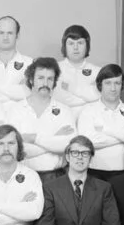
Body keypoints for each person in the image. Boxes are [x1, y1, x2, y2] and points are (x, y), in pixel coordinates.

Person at [7, 57, 77, 185]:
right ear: (31, 80)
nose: (45, 83)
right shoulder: (15, 110)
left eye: (50, 79)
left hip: (57, 177)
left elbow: (67, 146)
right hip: (23, 177)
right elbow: (16, 150)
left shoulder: (65, 111)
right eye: (40, 78)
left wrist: (33, 138)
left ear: (54, 82)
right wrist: (54, 139)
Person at [77, 63, 124, 182]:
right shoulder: (88, 111)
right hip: (95, 174)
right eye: (108, 83)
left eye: (117, 83)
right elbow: (88, 142)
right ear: (100, 85)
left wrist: (105, 130)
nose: (113, 88)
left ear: (122, 85)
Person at [0, 16, 34, 109]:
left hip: (21, 119)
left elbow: (29, 93)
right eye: (1, 33)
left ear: (17, 36)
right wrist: (17, 90)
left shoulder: (30, 64)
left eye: (10, 33)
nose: (5, 37)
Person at [52, 24, 101, 120]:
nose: (75, 47)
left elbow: (99, 98)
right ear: (64, 46)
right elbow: (61, 98)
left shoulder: (98, 72)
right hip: (60, 119)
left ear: (87, 45)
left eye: (80, 43)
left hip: (91, 121)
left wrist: (70, 88)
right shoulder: (54, 69)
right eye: (71, 43)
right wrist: (88, 95)